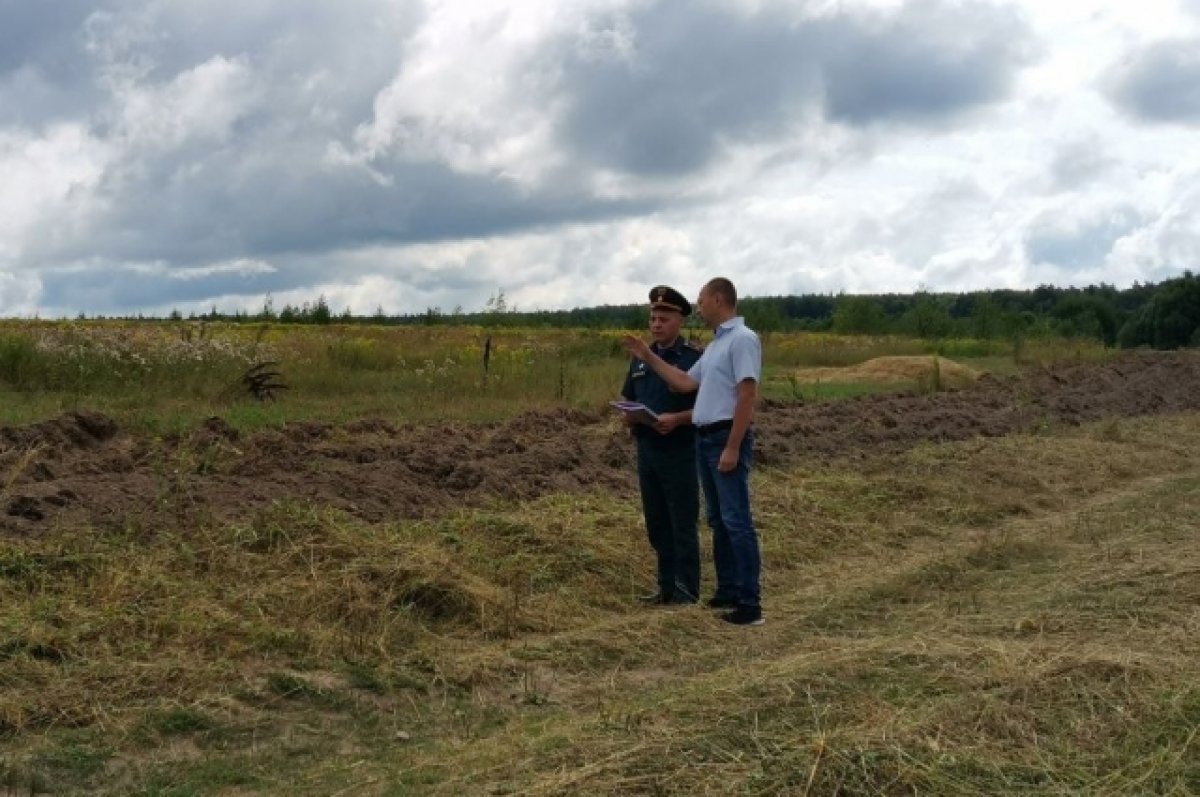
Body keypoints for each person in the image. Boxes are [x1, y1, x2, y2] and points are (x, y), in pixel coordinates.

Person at [622, 277, 764, 626]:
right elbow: (685, 382)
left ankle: (749, 603)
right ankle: (727, 591)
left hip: (720, 439)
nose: (699, 307)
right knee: (717, 520)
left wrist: (732, 446)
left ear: (717, 300)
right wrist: (647, 356)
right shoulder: (717, 345)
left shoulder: (743, 340)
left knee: (735, 521)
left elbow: (747, 396)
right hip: (703, 441)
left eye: (701, 301)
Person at [619, 286, 702, 605]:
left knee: (681, 521)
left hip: (680, 451)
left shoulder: (693, 358)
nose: (656, 324)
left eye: (664, 319)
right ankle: (665, 586)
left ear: (679, 321)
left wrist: (679, 418)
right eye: (653, 318)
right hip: (648, 450)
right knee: (657, 522)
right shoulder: (640, 360)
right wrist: (628, 415)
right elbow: (630, 398)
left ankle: (687, 588)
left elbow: (709, 408)